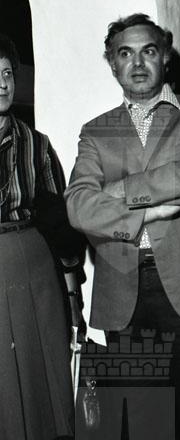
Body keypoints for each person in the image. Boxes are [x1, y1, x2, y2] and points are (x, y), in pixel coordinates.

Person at [65, 13, 180, 440]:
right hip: (123, 292)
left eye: (148, 51)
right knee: (144, 424)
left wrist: (117, 191)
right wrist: (152, 211)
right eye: (124, 54)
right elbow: (77, 206)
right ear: (112, 64)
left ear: (165, 57)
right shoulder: (95, 131)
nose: (137, 63)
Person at [0, 34, 84, 439]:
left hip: (33, 267)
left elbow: (59, 225)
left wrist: (72, 295)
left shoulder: (36, 144)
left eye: (7, 74)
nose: (2, 84)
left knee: (40, 374)